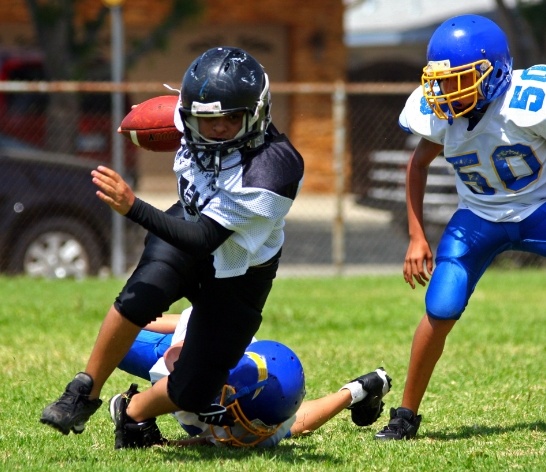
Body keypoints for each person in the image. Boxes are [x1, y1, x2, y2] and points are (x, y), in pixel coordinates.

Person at [40, 46, 305, 439]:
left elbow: (206, 240)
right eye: (205, 119)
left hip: (239, 264)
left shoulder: (274, 167)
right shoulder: (187, 119)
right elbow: (164, 123)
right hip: (189, 222)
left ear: (258, 113)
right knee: (140, 294)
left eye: (232, 118)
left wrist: (134, 208)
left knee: (195, 389)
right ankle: (83, 390)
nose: (217, 128)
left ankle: (132, 412)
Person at [374, 14, 546, 441]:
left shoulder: (529, 103)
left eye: (461, 79)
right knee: (442, 305)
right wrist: (417, 235)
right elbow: (417, 165)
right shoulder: (441, 115)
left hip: (539, 206)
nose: (448, 91)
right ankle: (405, 416)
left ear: (496, 71)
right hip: (478, 218)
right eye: (442, 81)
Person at [113, 306, 393, 448]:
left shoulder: (273, 414)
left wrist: (354, 391)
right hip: (182, 345)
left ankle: (362, 389)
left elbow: (295, 423)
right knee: (119, 339)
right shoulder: (208, 355)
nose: (249, 431)